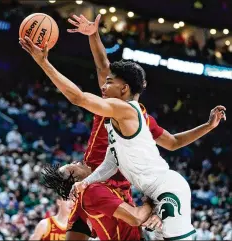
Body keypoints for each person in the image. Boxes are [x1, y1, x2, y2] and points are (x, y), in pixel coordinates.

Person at [19, 13, 226, 239]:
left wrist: (44, 62)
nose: (105, 85)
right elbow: (102, 69)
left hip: (117, 189)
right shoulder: (111, 106)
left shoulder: (125, 111)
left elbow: (173, 142)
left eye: (110, 82)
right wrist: (93, 35)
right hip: (95, 182)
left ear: (124, 88)